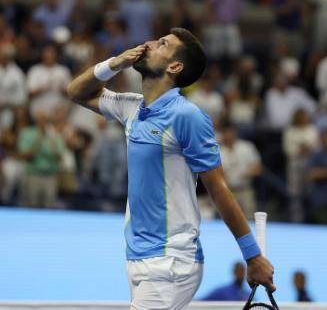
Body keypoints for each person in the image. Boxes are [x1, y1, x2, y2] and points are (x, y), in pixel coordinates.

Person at [66, 27, 275, 310]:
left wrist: (252, 256)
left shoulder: (187, 116)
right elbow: (75, 91)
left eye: (162, 44)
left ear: (175, 66)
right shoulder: (132, 108)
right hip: (139, 257)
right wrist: (114, 63)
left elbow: (219, 188)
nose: (149, 44)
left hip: (171, 261)